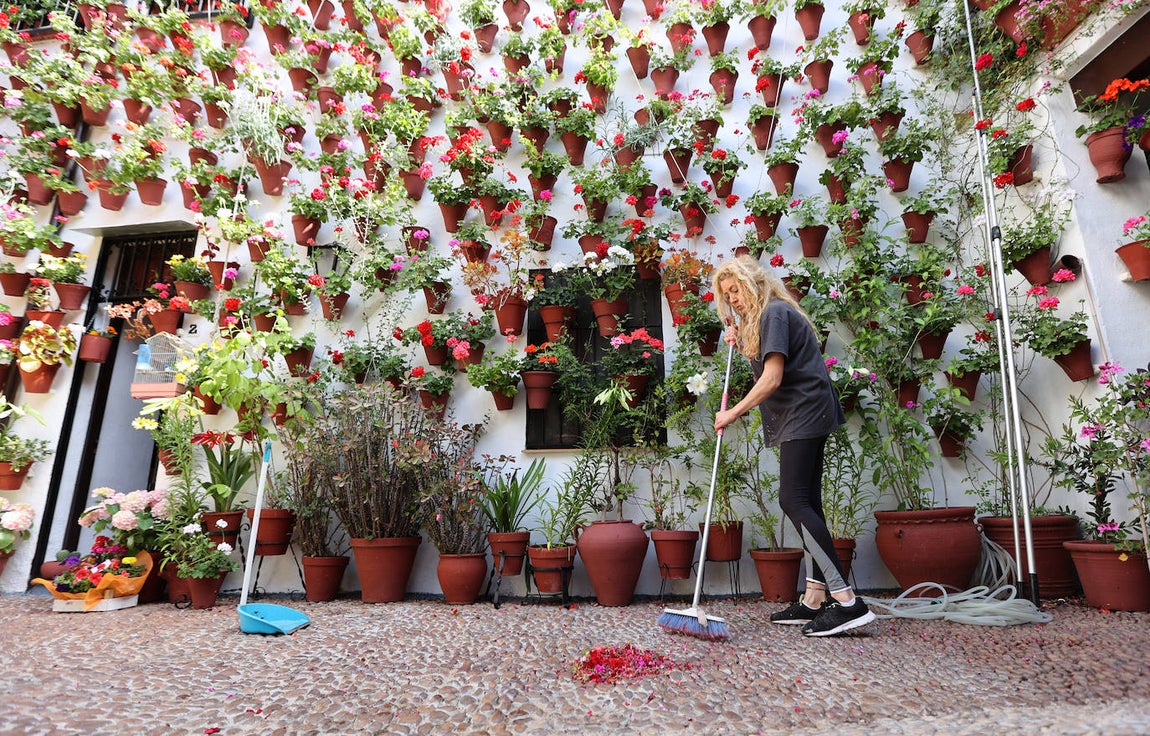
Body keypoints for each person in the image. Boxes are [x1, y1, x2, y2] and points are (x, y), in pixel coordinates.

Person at [711, 256, 875, 637]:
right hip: (805, 412)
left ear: (752, 283)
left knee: (793, 500)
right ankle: (815, 598)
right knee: (807, 501)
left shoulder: (775, 314)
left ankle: (847, 601)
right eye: (727, 295)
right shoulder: (767, 318)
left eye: (736, 290)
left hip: (805, 412)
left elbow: (772, 378)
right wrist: (738, 338)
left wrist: (732, 412)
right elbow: (767, 361)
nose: (733, 299)